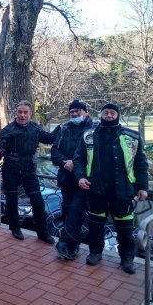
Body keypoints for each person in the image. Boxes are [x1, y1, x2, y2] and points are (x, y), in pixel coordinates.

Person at [73, 103, 148, 274]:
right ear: (100, 115)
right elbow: (78, 160)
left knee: (125, 229)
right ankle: (95, 253)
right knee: (95, 226)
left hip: (122, 191)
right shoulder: (88, 135)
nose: (108, 115)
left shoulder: (132, 137)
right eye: (105, 112)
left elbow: (140, 164)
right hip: (96, 190)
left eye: (112, 112)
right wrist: (81, 177)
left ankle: (127, 258)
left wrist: (142, 187)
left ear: (117, 115)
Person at [0, 100, 59, 244]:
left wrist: (61, 128)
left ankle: (42, 233)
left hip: (29, 169)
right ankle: (15, 228)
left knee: (38, 202)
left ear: (30, 114)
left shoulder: (35, 127)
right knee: (11, 201)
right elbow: (0, 146)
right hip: (11, 168)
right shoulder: (8, 130)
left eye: (25, 112)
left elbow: (48, 139)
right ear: (16, 113)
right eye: (20, 112)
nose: (22, 115)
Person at [51, 100, 94, 260]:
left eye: (78, 111)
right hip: (67, 178)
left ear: (86, 112)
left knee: (77, 210)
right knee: (68, 210)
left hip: (85, 180)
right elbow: (54, 152)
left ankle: (65, 242)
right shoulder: (64, 129)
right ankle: (71, 245)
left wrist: (75, 163)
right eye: (72, 112)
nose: (74, 114)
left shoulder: (94, 130)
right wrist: (64, 162)